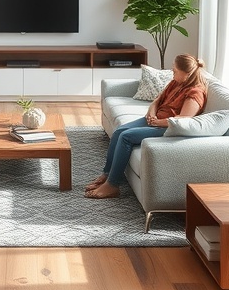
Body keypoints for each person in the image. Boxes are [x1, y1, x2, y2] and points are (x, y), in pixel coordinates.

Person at [85, 54, 207, 199]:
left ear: (187, 74)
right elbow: (158, 100)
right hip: (155, 120)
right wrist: (151, 114)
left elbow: (183, 120)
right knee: (119, 132)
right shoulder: (176, 83)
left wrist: (157, 122)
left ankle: (113, 185)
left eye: (175, 71)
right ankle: (107, 174)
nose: (172, 73)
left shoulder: (195, 93)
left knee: (126, 137)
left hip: (167, 128)